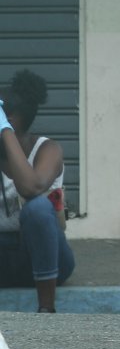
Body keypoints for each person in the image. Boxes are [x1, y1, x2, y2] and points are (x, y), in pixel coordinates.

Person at [0, 71, 74, 313]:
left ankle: (46, 309)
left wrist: (5, 132)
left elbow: (31, 187)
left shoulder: (47, 150)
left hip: (43, 258)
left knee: (39, 208)